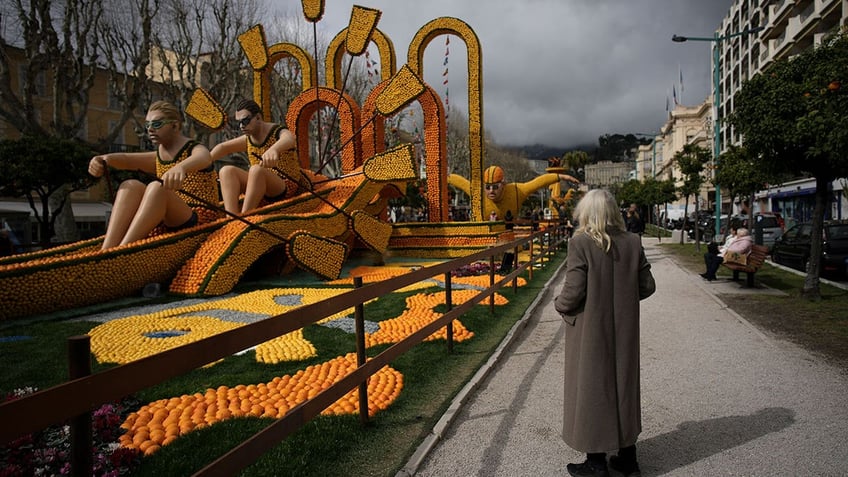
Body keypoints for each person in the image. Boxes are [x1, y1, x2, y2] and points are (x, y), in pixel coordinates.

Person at [553, 189, 656, 477]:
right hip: (624, 329)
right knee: (624, 386)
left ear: (586, 213)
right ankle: (628, 459)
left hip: (590, 330)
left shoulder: (581, 243)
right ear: (614, 212)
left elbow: (572, 292)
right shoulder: (633, 242)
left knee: (592, 388)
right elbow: (647, 286)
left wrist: (559, 306)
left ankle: (596, 462)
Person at [89, 100, 218, 250]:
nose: (150, 129)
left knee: (157, 187)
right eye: (148, 125)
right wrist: (104, 160)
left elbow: (204, 157)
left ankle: (124, 249)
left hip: (199, 216)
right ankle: (107, 248)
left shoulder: (193, 148)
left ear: (175, 126)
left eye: (156, 124)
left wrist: (181, 168)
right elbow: (126, 160)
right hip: (166, 218)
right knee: (130, 185)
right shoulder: (159, 155)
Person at [210, 99, 297, 215]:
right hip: (259, 184)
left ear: (258, 118)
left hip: (283, 185)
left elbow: (289, 139)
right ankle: (231, 217)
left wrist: (274, 149)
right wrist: (203, 162)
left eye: (245, 121)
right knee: (226, 171)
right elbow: (223, 147)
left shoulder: (277, 131)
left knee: (256, 170)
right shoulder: (249, 138)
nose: (241, 126)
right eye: (239, 122)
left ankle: (245, 216)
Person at [448, 165, 579, 222]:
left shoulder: (517, 191)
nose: (491, 191)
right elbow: (459, 181)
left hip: (508, 237)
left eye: (495, 187)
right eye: (487, 187)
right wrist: (439, 176)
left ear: (503, 184)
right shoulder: (478, 193)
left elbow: (538, 182)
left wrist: (562, 177)